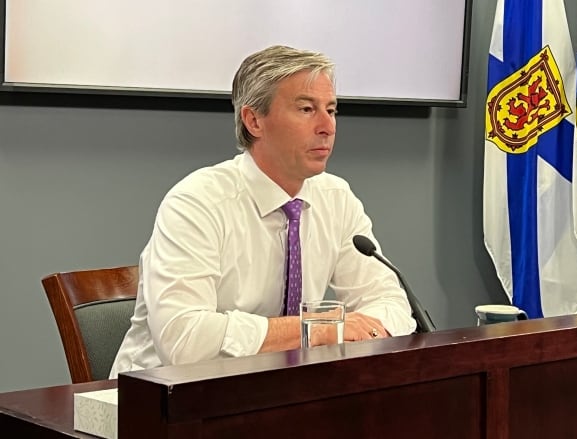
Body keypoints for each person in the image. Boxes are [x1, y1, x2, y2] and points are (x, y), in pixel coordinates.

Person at [109, 45, 416, 377]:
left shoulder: (335, 197)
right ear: (254, 120)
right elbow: (184, 341)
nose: (327, 126)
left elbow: (392, 305)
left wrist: (357, 329)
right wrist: (316, 329)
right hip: (159, 403)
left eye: (332, 109)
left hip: (276, 397)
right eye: (306, 109)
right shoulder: (197, 203)